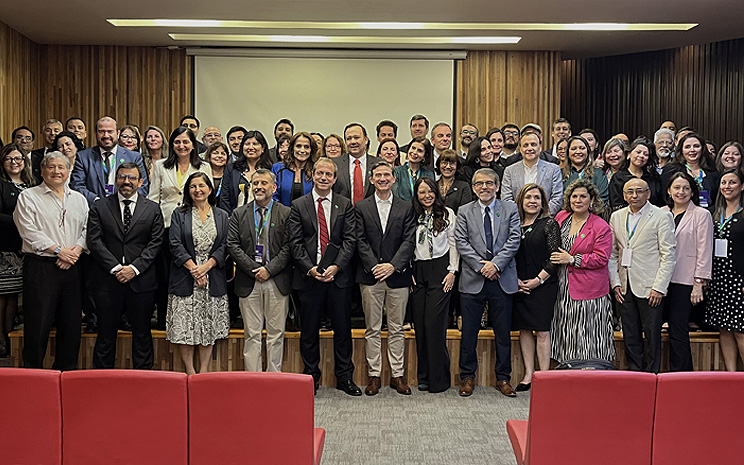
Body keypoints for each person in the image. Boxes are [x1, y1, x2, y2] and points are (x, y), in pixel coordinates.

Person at [287, 158, 361, 396]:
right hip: (309, 278)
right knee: (309, 332)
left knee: (342, 330)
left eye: (328, 174)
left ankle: (344, 378)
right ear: (313, 175)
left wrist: (336, 267)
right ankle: (311, 378)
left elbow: (350, 240)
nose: (324, 178)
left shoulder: (344, 204)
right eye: (320, 173)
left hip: (338, 278)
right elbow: (295, 243)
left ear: (335, 178)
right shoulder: (299, 205)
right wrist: (311, 268)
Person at [14, 152, 88, 369]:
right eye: (51, 167)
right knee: (38, 324)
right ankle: (33, 375)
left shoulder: (79, 199)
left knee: (71, 326)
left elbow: (87, 229)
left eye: (61, 167)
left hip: (73, 266)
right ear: (42, 170)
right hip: (41, 267)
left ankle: (66, 374)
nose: (56, 171)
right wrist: (58, 250)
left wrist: (75, 250)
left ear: (69, 171)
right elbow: (27, 230)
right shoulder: (29, 197)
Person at [86, 162, 164, 369]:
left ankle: (144, 380)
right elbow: (94, 241)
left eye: (131, 178)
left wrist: (134, 269)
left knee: (142, 334)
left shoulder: (152, 209)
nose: (126, 181)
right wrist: (115, 268)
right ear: (116, 180)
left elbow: (155, 243)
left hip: (142, 281)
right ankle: (102, 381)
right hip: (107, 280)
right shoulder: (100, 206)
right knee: (105, 334)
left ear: (140, 182)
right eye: (122, 177)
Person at [455, 168, 520, 397]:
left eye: (489, 183)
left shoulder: (510, 208)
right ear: (473, 188)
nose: (485, 187)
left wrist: (496, 265)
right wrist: (482, 266)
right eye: (480, 183)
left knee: (503, 333)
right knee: (469, 334)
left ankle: (503, 378)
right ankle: (467, 377)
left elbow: (514, 240)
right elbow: (461, 241)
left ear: (498, 186)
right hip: (474, 278)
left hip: (502, 278)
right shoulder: (464, 211)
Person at [355, 160, 416, 396]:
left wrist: (392, 266)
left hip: (397, 276)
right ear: (371, 179)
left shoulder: (406, 206)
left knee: (397, 328)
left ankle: (397, 375)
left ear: (394, 179)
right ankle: (374, 375)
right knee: (372, 328)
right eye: (378, 175)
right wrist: (375, 267)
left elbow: (409, 240)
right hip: (370, 277)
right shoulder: (361, 207)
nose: (382, 178)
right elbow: (359, 240)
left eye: (386, 175)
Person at [227, 169, 292, 372]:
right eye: (255, 183)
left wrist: (269, 270)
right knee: (251, 333)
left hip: (276, 280)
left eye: (264, 183)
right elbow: (232, 245)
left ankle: (274, 379)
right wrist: (255, 269)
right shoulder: (239, 214)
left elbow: (289, 246)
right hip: (249, 280)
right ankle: (252, 380)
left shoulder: (286, 213)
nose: (259, 187)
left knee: (276, 333)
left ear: (274, 188)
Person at [609, 178, 676, 373]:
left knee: (652, 335)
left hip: (650, 286)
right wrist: (615, 283)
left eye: (639, 191)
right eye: (630, 192)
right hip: (624, 285)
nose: (634, 195)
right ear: (624, 195)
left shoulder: (661, 216)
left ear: (648, 193)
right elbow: (613, 253)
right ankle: (635, 373)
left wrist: (659, 287)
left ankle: (652, 374)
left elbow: (668, 255)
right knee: (630, 334)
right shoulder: (616, 216)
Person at [148, 126, 212, 330]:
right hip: (166, 226)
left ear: (193, 144)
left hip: (194, 226)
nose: (181, 146)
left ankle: (191, 318)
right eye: (177, 142)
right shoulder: (160, 165)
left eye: (186, 142)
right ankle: (165, 319)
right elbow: (153, 198)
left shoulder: (204, 166)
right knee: (165, 274)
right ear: (172, 144)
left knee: (190, 273)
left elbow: (208, 197)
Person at [167, 172, 229, 375]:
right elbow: (174, 244)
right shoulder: (179, 214)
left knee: (207, 327)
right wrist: (195, 269)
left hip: (212, 277)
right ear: (188, 191)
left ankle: (204, 372)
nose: (198, 190)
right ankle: (190, 371)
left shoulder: (222, 215)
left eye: (202, 185)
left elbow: (225, 245)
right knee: (186, 328)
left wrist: (207, 267)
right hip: (185, 276)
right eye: (193, 186)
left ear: (210, 189)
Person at [550, 179, 615, 363]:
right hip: (562, 286)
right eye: (574, 196)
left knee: (586, 334)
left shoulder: (600, 226)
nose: (578, 200)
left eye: (583, 196)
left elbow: (602, 258)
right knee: (566, 331)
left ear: (592, 200)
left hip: (589, 289)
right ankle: (567, 369)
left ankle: (589, 372)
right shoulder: (561, 217)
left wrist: (572, 259)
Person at [410, 177, 458, 393]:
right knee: (419, 325)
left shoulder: (447, 213)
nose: (426, 195)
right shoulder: (412, 215)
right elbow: (408, 244)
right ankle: (424, 376)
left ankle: (439, 378)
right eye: (422, 192)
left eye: (430, 191)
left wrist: (452, 271)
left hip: (441, 270)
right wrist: (408, 271)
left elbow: (453, 243)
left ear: (436, 193)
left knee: (434, 325)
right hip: (418, 270)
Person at [662, 172, 713, 371]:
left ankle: (682, 377)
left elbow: (705, 249)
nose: (681, 192)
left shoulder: (701, 215)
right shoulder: (661, 212)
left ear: (692, 191)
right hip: (661, 281)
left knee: (678, 329)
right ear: (669, 190)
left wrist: (699, 282)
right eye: (676, 188)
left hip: (685, 280)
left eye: (685, 188)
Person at [513, 184, 560, 391]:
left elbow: (554, 258)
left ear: (543, 203)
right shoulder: (513, 225)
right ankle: (528, 375)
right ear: (521, 202)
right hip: (519, 285)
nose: (533, 201)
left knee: (542, 332)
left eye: (537, 198)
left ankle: (544, 377)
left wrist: (537, 281)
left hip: (543, 286)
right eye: (528, 197)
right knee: (524, 330)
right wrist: (514, 280)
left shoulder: (549, 224)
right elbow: (508, 255)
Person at [706, 169, 744, 371]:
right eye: (724, 183)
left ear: (742, 186)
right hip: (719, 278)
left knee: (741, 331)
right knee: (725, 329)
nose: (727, 187)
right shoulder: (714, 212)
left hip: (739, 280)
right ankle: (732, 376)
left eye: (732, 183)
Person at [0, 144, 35, 357]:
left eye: (18, 159)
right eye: (9, 159)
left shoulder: (33, 184)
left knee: (13, 296)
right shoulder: (2, 184)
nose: (14, 162)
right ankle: (1, 339)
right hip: (5, 249)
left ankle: (9, 335)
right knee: (2, 296)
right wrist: (20, 221)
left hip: (27, 249)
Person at [71, 116, 149, 205]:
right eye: (101, 132)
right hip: (93, 209)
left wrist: (124, 202)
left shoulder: (134, 157)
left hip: (125, 210)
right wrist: (98, 202)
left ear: (118, 133)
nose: (106, 135)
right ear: (96, 133)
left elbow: (142, 186)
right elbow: (77, 185)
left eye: (110, 131)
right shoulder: (83, 157)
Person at [501, 132, 563, 215]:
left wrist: (541, 216)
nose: (529, 148)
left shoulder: (553, 169)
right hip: (518, 221)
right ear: (520, 149)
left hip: (545, 220)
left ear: (540, 147)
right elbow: (506, 199)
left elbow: (557, 199)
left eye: (533, 144)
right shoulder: (509, 171)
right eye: (525, 145)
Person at [219, 130, 273, 214]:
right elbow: (224, 198)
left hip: (264, 218)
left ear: (263, 148)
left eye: (255, 144)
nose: (251, 147)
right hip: (235, 219)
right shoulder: (231, 169)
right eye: (247, 144)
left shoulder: (271, 169)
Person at [661, 132, 719, 209]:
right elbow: (664, 196)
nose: (692, 150)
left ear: (702, 149)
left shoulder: (713, 172)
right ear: (681, 150)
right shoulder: (671, 170)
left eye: (696, 146)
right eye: (687, 147)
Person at [332, 123, 381, 204]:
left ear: (366, 140)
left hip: (370, 214)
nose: (353, 142)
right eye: (349, 139)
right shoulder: (335, 164)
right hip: (343, 213)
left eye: (356, 137)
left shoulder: (378, 163)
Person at [609, 138, 663, 210]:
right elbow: (616, 204)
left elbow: (660, 202)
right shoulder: (618, 178)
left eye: (645, 154)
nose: (641, 156)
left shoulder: (654, 177)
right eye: (638, 152)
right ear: (629, 154)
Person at [272, 132, 317, 207]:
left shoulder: (316, 171)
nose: (302, 150)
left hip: (308, 216)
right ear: (292, 148)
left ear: (311, 150)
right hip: (281, 215)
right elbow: (273, 195)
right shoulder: (277, 168)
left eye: (306, 147)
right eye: (298, 146)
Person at [561, 135, 609, 204]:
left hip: (593, 213)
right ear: (568, 153)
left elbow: (603, 198)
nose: (578, 151)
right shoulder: (560, 174)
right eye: (573, 149)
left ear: (588, 152)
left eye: (582, 148)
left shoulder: (598, 174)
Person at [393, 137, 435, 202]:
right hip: (402, 210)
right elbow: (395, 196)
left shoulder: (428, 174)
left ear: (425, 156)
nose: (414, 152)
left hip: (422, 210)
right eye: (413, 148)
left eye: (419, 151)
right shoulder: (397, 172)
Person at [436, 149, 472, 214]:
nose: (448, 166)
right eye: (444, 163)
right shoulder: (433, 185)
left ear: (457, 166)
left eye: (452, 163)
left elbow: (465, 212)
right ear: (439, 165)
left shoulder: (464, 187)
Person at [204, 142, 229, 208]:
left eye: (223, 154)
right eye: (215, 153)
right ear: (209, 156)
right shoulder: (203, 175)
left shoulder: (231, 176)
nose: (220, 156)